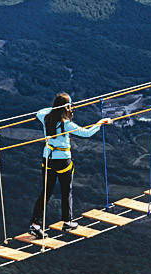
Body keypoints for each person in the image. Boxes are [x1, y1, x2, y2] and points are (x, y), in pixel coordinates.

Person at [28, 92, 111, 237]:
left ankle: (35, 224)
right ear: (66, 107)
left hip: (47, 158)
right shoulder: (66, 124)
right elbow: (86, 133)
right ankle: (67, 222)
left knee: (46, 192)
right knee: (66, 191)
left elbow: (39, 112)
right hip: (62, 160)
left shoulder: (45, 117)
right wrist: (100, 123)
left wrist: (55, 108)